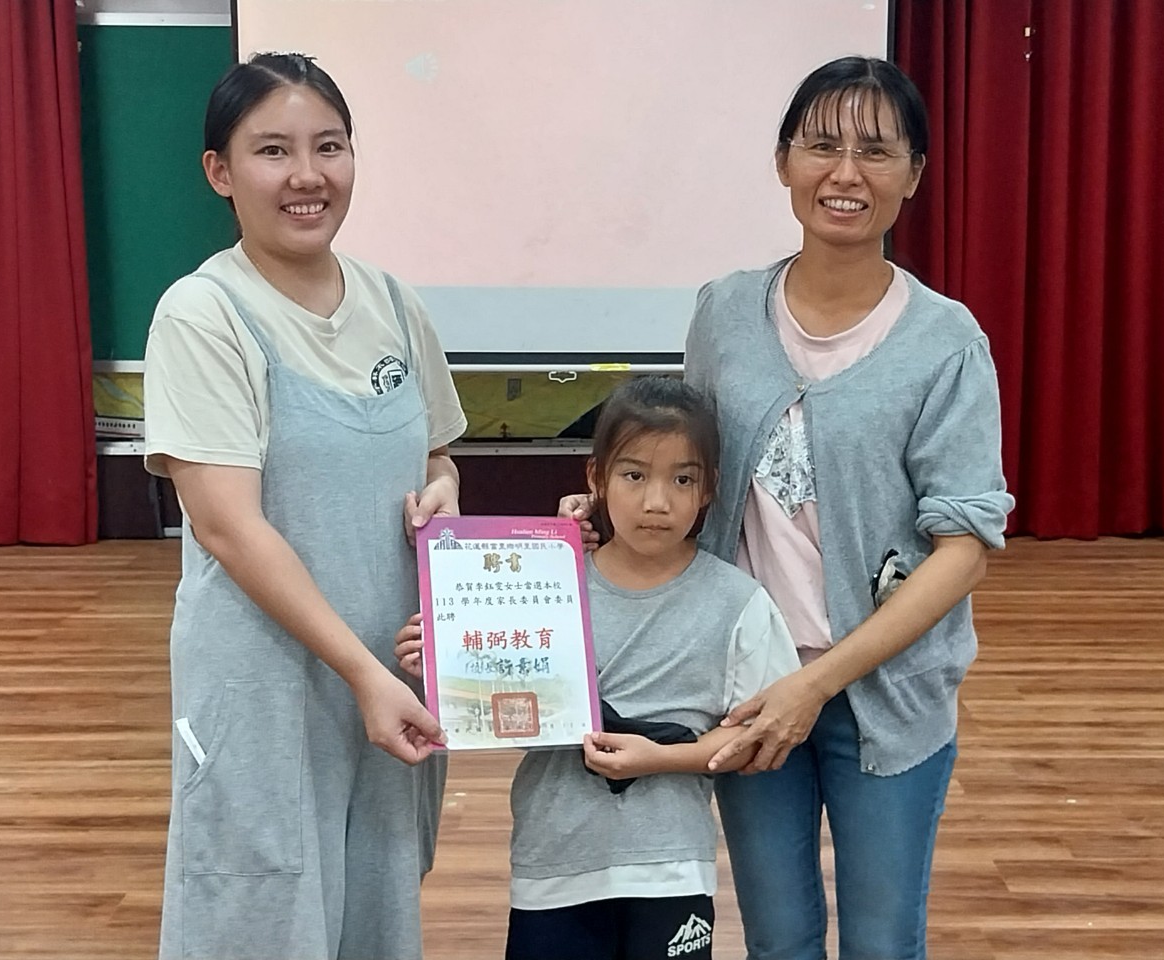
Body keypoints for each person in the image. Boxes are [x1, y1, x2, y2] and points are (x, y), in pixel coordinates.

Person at [562, 57, 1015, 960]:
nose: (846, 173)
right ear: (783, 162)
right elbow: (685, 469)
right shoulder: (726, 312)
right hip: (745, 684)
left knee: (883, 941)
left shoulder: (946, 341)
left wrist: (816, 684)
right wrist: (609, 512)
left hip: (888, 696)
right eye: (822, 146)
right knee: (777, 937)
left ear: (914, 175)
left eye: (876, 151)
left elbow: (963, 547)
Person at [142, 53, 467, 960]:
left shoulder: (394, 304)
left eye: (329, 146)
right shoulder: (203, 314)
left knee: (377, 911)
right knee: (259, 916)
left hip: (391, 673)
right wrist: (361, 675)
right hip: (266, 683)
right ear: (220, 172)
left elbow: (435, 452)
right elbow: (228, 526)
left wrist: (443, 488)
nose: (307, 175)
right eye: (273, 151)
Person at [396, 377, 799, 960]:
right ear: (597, 478)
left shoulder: (740, 603)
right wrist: (446, 668)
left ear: (709, 487)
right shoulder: (542, 587)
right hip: (553, 865)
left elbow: (758, 735)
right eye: (634, 475)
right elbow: (510, 714)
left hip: (670, 870)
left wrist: (662, 758)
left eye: (682, 479)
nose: (657, 501)